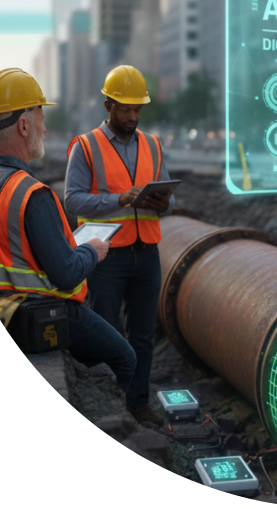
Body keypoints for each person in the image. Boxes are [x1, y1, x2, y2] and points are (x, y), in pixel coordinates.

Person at [0, 68, 137, 391]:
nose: (45, 128)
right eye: (40, 119)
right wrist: (92, 250)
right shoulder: (33, 195)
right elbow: (66, 275)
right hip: (43, 310)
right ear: (23, 126)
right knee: (126, 357)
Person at [65, 65, 175, 425]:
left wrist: (165, 204)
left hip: (147, 255)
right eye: (125, 109)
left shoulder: (154, 145)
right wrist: (119, 200)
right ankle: (111, 409)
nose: (132, 116)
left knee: (143, 336)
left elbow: (166, 198)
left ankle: (138, 404)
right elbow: (73, 201)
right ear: (108, 105)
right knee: (108, 332)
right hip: (106, 256)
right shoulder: (85, 147)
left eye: (138, 109)